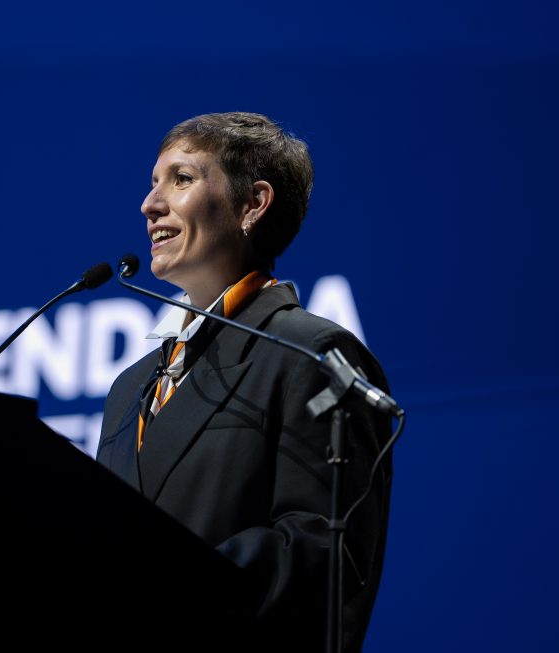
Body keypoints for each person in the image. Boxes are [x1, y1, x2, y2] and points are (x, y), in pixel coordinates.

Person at [97, 112, 393, 652]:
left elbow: (320, 552)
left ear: (253, 204)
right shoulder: (128, 390)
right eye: (153, 182)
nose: (149, 204)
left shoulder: (309, 353)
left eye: (181, 179)